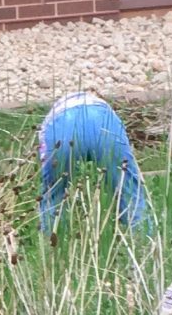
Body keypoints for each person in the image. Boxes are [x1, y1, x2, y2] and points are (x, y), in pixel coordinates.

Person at [39, 91, 154, 236]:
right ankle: (143, 242)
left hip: (61, 125)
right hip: (104, 122)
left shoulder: (49, 120)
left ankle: (51, 247)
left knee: (53, 194)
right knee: (128, 190)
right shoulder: (108, 110)